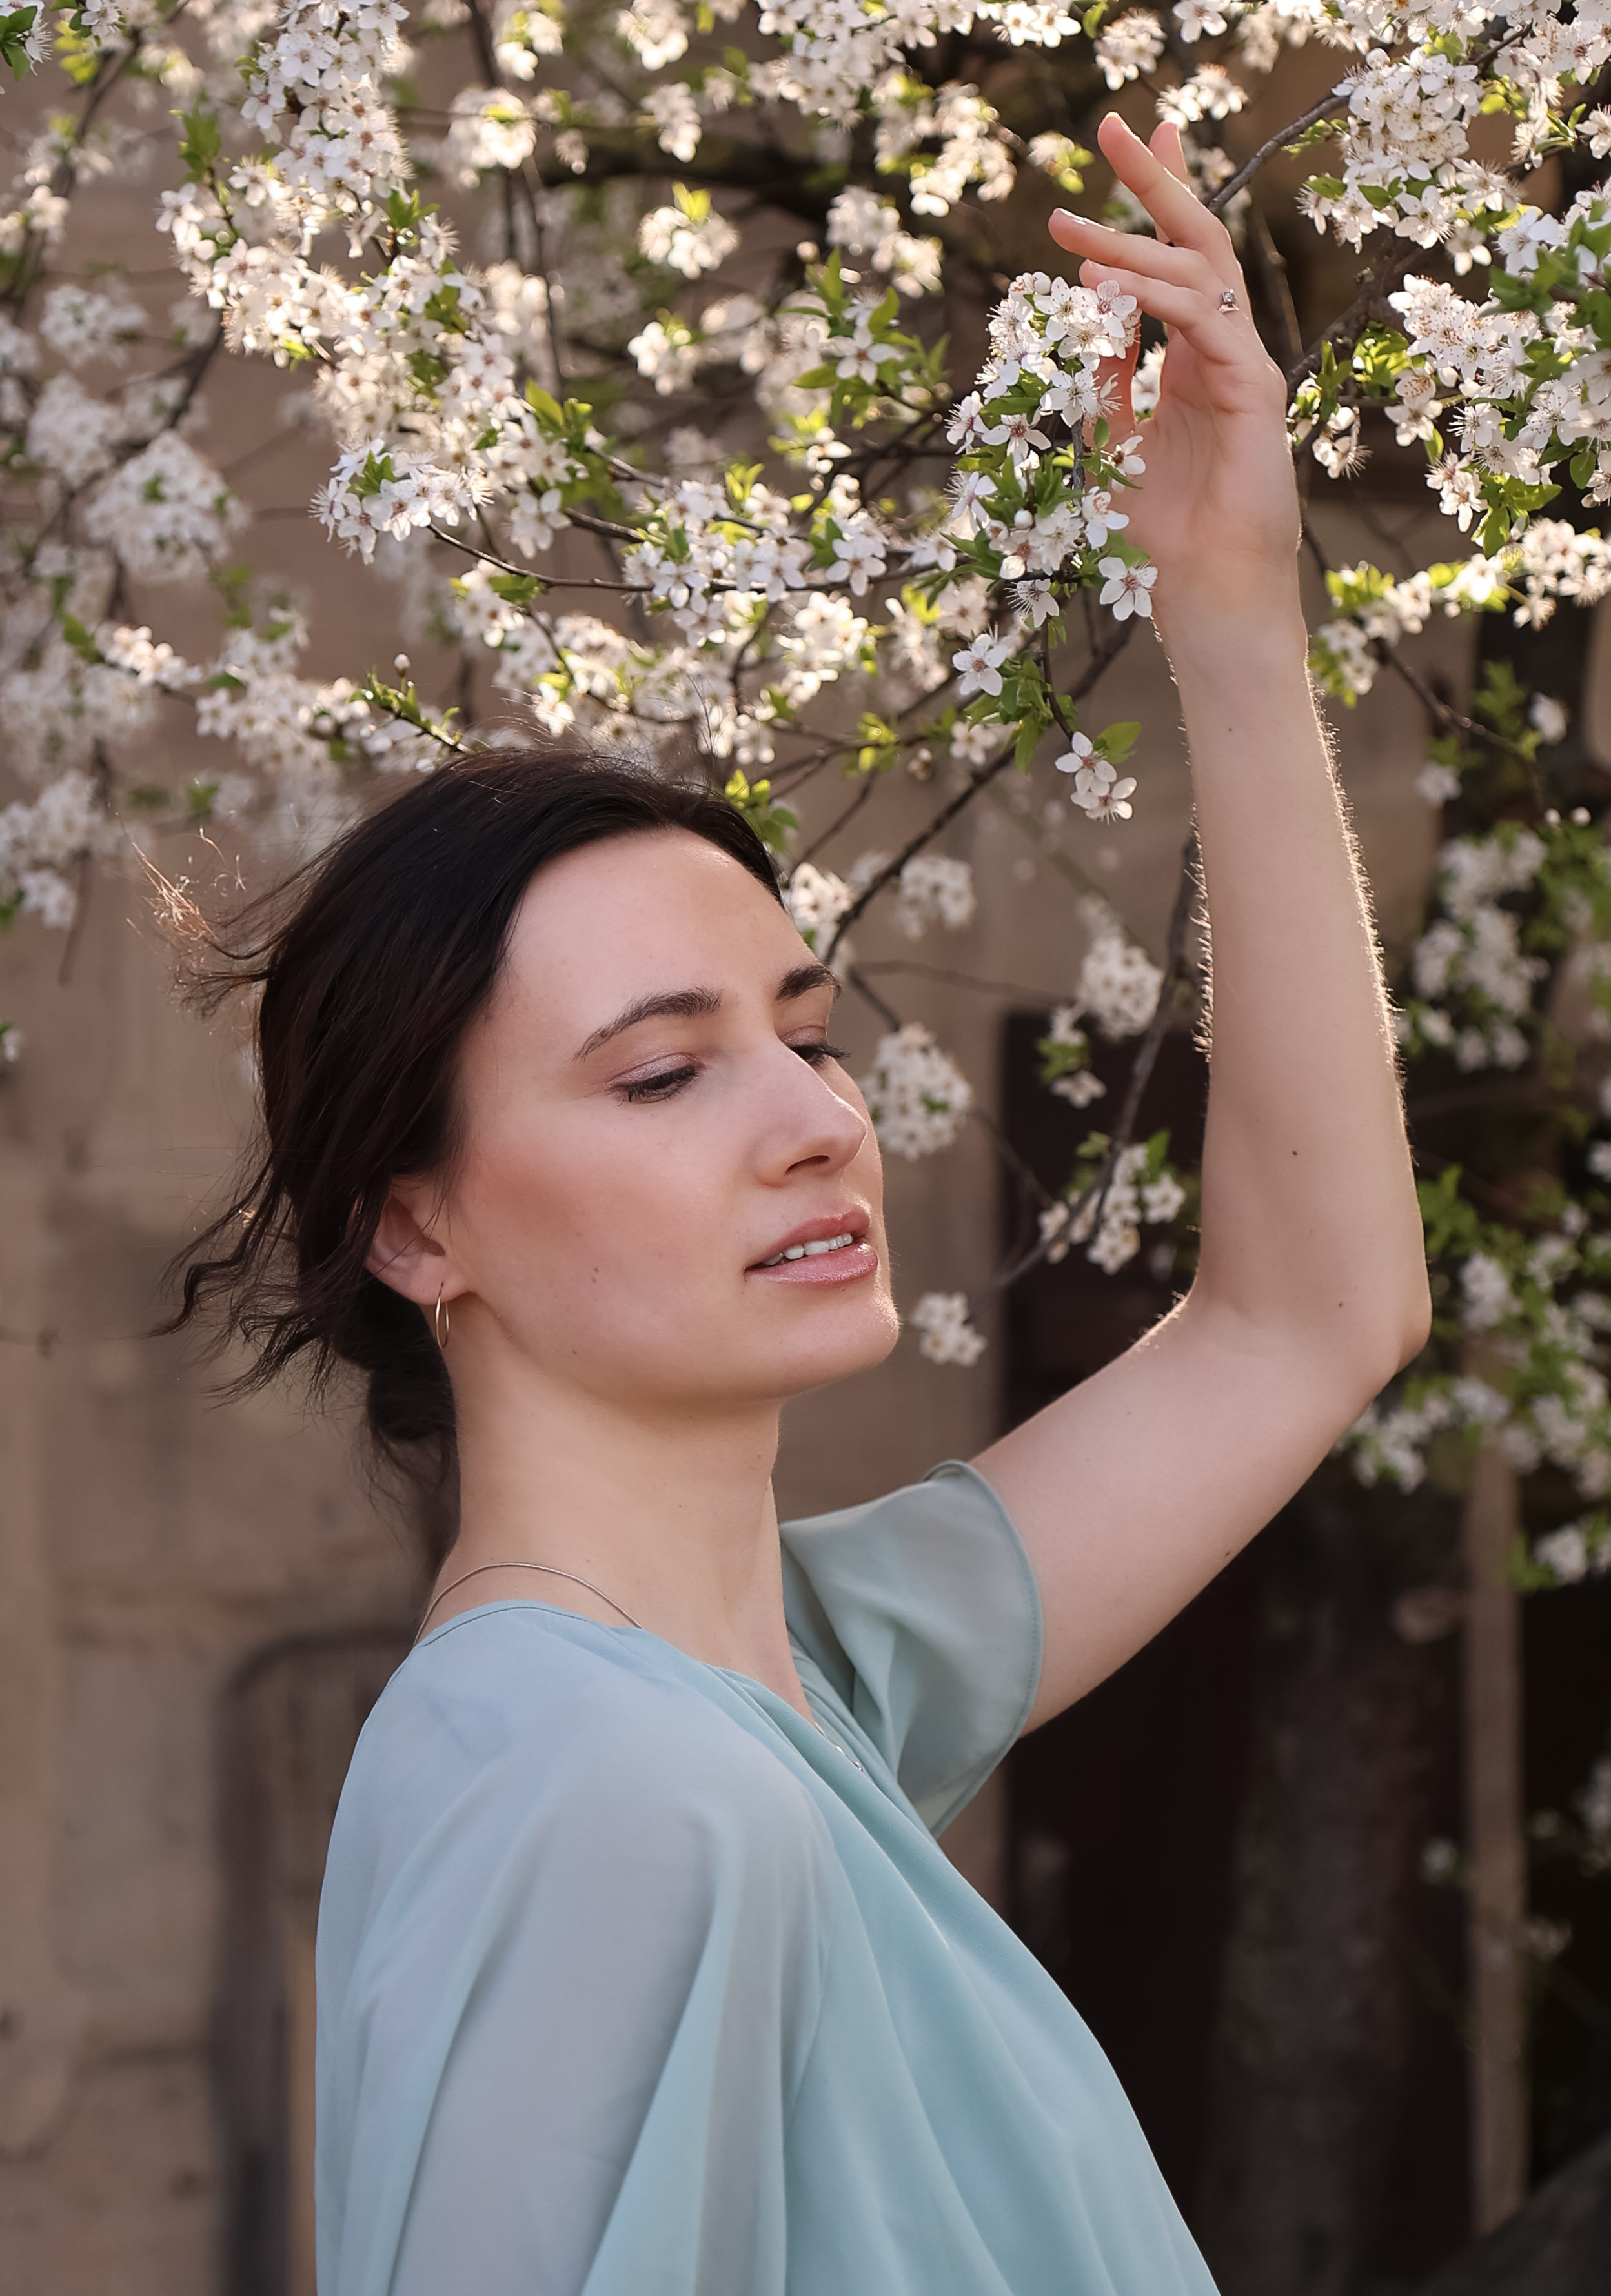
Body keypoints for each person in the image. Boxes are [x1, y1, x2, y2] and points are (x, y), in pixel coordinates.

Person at [174, 114, 1429, 2295]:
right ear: (417, 1230)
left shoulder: (794, 1690)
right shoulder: (615, 1790)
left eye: (810, 1034)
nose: (814, 1123)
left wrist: (1231, 614)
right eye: (662, 1072)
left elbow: (1307, 1320)